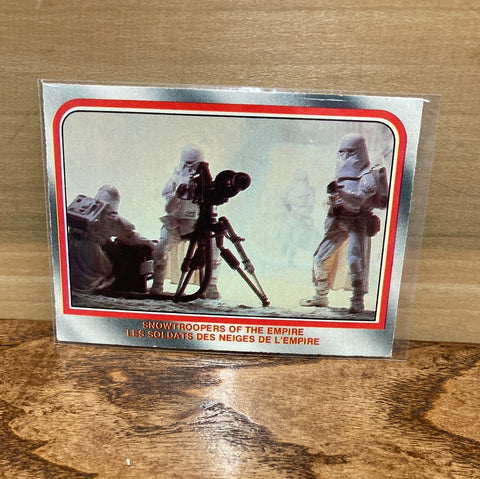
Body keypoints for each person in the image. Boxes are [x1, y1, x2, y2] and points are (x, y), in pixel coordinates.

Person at [300, 133, 383, 313]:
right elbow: (332, 202)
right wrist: (332, 197)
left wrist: (340, 194)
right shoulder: (341, 175)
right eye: (342, 152)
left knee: (354, 260)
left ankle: (357, 300)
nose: (345, 156)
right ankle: (321, 295)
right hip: (338, 220)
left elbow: (357, 203)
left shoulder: (367, 177)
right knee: (319, 258)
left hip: (357, 222)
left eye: (350, 152)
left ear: (359, 151)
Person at [150, 145, 221, 298]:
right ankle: (157, 285)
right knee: (161, 249)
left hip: (198, 225)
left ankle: (211, 285)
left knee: (214, 247)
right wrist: (177, 195)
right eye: (187, 163)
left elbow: (213, 206)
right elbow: (168, 209)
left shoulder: (207, 184)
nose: (190, 167)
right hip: (177, 224)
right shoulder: (175, 180)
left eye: (193, 163)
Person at [67, 184, 155, 293]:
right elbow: (132, 238)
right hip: (91, 253)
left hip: (70, 248)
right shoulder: (113, 220)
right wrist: (151, 244)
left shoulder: (83, 211)